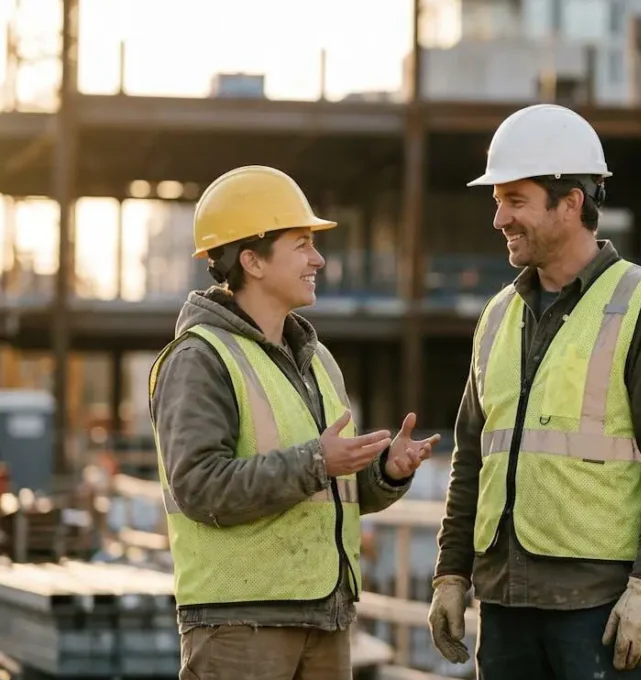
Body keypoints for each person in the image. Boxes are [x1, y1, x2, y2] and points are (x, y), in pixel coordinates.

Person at [427, 103, 641, 679]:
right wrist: (451, 574)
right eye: (497, 200)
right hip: (505, 606)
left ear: (571, 202)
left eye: (516, 200)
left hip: (599, 610)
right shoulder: (498, 316)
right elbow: (473, 457)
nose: (499, 218)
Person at [148, 165, 441, 680]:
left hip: (324, 618)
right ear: (252, 260)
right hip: (240, 627)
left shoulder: (316, 359)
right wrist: (316, 461)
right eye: (302, 243)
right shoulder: (200, 359)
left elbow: (332, 493)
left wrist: (385, 474)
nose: (319, 259)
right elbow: (199, 487)